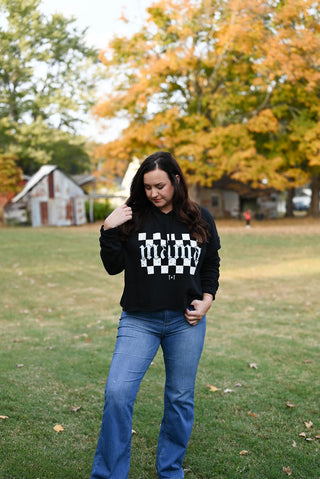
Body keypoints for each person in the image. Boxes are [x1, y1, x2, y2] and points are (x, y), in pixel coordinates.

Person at [91, 151, 221, 479]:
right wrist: (108, 229)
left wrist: (207, 299)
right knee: (118, 392)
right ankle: (109, 474)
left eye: (160, 186)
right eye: (148, 187)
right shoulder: (132, 216)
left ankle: (170, 470)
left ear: (176, 180)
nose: (154, 194)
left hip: (185, 322)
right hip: (139, 320)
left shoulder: (200, 218)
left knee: (179, 398)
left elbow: (210, 263)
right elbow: (112, 266)